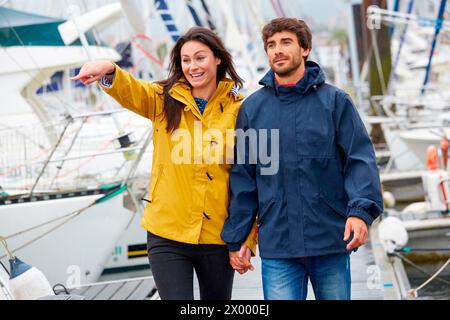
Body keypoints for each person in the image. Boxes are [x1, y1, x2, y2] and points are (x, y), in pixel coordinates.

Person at [71, 27, 257, 300]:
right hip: (167, 233)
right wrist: (110, 70)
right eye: (186, 59)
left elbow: (249, 181)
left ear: (217, 58)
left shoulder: (240, 110)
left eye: (200, 58)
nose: (192, 66)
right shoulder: (163, 99)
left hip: (218, 236)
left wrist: (247, 239)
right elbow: (133, 90)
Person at [221, 18, 384, 300]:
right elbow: (244, 178)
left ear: (305, 48)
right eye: (271, 45)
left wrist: (359, 212)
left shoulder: (336, 102)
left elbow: (359, 159)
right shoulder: (252, 110)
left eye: (285, 42)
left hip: (329, 240)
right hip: (279, 244)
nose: (277, 50)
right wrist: (238, 237)